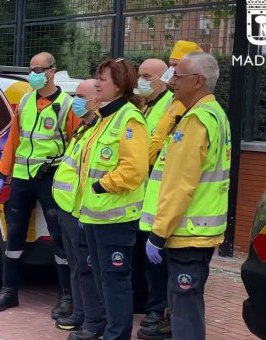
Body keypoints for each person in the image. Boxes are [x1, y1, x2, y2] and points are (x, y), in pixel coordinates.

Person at [142, 52, 230, 340]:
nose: (173, 82)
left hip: (187, 232)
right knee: (187, 303)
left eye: (179, 77)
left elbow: (180, 184)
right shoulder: (215, 113)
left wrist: (158, 233)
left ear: (199, 81)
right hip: (199, 231)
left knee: (184, 308)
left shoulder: (195, 121)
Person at [0, 52, 79, 319]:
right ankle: (9, 290)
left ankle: (66, 296)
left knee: (60, 236)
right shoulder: (26, 101)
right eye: (31, 69)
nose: (34, 74)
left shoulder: (68, 105)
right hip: (22, 176)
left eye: (39, 69)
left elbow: (76, 146)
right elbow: (13, 141)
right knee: (14, 234)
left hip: (51, 176)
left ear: (52, 71)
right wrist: (1, 175)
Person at [76, 58, 149, 340]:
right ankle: (110, 331)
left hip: (116, 218)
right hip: (94, 216)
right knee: (102, 279)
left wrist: (100, 186)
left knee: (116, 282)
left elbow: (134, 170)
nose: (96, 82)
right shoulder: (103, 118)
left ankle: (117, 335)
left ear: (119, 86)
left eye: (103, 78)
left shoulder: (129, 118)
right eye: (97, 76)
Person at [136, 40, 205, 340]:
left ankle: (161, 313)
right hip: (153, 193)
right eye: (172, 66)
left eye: (177, 68)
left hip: (177, 210)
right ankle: (158, 310)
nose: (172, 75)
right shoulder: (167, 104)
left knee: (175, 275)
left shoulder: (190, 112)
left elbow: (182, 172)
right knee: (158, 267)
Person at [51, 79, 107, 339]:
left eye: (81, 96)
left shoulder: (98, 128)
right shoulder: (83, 128)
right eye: (75, 95)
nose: (75, 101)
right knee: (76, 266)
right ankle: (80, 313)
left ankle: (93, 320)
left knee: (86, 268)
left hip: (81, 210)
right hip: (67, 208)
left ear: (96, 100)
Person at [132, 58, 173, 337]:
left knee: (157, 258)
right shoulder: (145, 105)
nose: (141, 81)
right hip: (139, 192)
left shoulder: (171, 107)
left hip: (158, 192)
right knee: (141, 254)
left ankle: (158, 308)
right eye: (139, 75)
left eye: (147, 76)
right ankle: (145, 302)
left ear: (162, 79)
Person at [148, 40, 202, 166]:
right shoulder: (176, 100)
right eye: (170, 65)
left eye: (176, 66)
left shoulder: (195, 108)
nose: (171, 72)